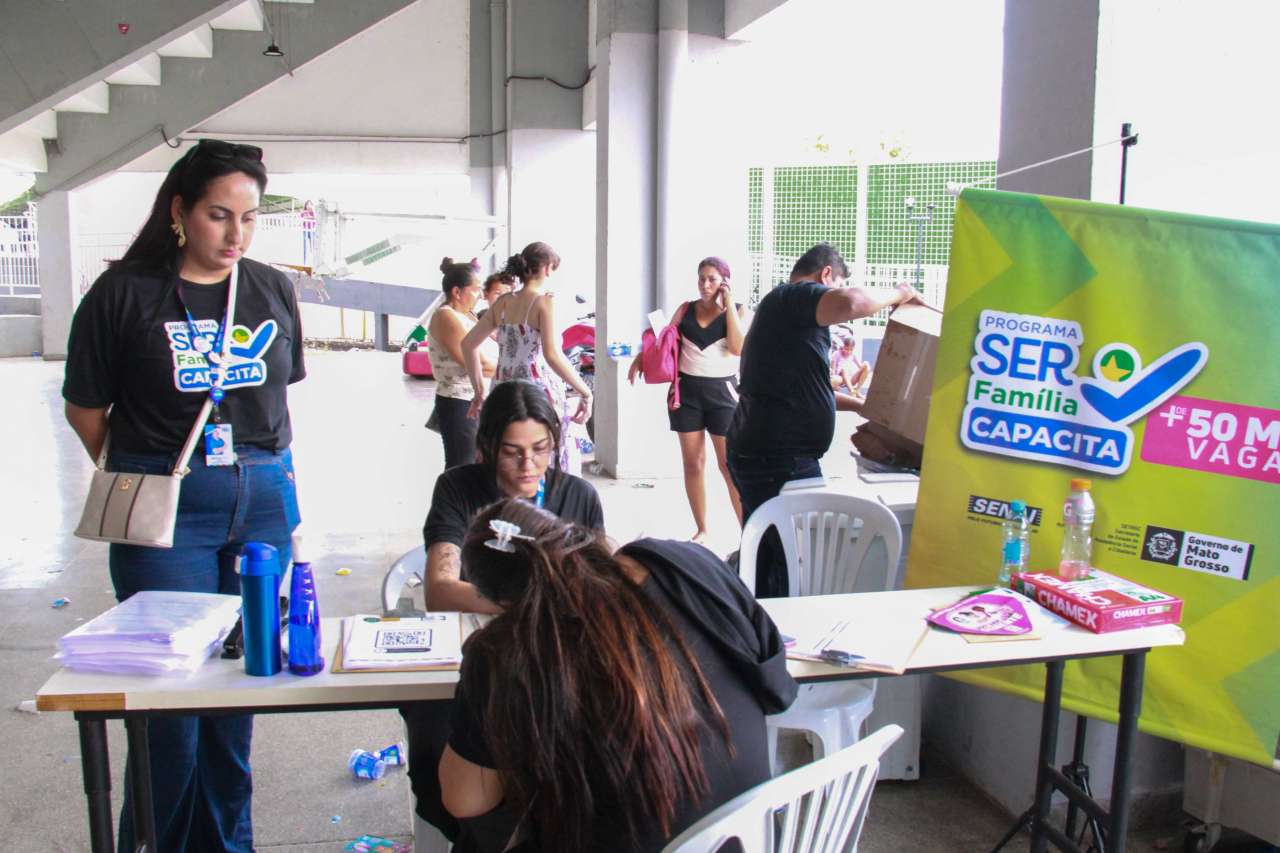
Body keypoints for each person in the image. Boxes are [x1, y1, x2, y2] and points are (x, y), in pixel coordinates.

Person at [62, 139, 305, 853]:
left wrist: (276, 482)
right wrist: (142, 472)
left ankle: (228, 845)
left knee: (237, 695)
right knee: (170, 706)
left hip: (262, 497)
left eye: (249, 218)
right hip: (168, 510)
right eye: (218, 215)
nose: (236, 235)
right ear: (179, 212)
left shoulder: (269, 288)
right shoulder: (123, 293)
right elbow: (85, 408)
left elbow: (275, 399)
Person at [434, 498, 799, 852]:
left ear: (501, 603)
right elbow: (777, 685)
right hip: (757, 836)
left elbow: (464, 800)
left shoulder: (506, 650)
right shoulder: (689, 562)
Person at [404, 380, 605, 842]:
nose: (528, 466)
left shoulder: (578, 496)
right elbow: (440, 590)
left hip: (551, 663)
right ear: (489, 446)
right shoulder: (458, 488)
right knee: (438, 742)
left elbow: (597, 590)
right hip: (474, 658)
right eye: (513, 452)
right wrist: (527, 603)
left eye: (541, 450)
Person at [727, 242, 925, 597]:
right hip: (778, 456)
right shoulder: (795, 296)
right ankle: (774, 618)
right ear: (826, 275)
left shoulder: (788, 319)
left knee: (770, 555)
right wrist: (900, 293)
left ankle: (757, 611)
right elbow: (851, 302)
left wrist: (862, 406)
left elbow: (803, 392)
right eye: (837, 285)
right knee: (788, 559)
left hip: (769, 451)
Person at [628, 256, 747, 543]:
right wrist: (641, 357)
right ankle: (702, 529)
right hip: (687, 393)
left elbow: (737, 347)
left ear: (725, 282)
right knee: (693, 463)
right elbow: (664, 340)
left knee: (728, 466)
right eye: (701, 278)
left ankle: (748, 531)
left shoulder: (740, 310)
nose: (705, 285)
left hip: (723, 395)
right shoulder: (685, 309)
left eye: (712, 279)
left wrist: (728, 302)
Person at [459, 242, 593, 475]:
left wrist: (480, 393)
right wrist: (585, 392)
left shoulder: (502, 303)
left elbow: (468, 344)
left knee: (508, 456)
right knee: (542, 459)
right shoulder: (544, 303)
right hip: (537, 394)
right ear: (548, 268)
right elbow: (552, 355)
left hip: (502, 392)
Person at [427, 258, 497, 468]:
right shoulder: (446, 317)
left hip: (474, 399)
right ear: (457, 292)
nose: (480, 295)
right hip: (461, 401)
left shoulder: (465, 315)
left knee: (476, 467)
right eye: (475, 290)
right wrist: (512, 368)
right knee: (462, 468)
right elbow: (478, 364)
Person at [830, 328, 871, 396]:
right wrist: (835, 383)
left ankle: (857, 391)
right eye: (846, 349)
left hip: (850, 379)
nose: (848, 352)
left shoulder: (853, 355)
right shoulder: (837, 354)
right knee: (843, 370)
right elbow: (833, 371)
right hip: (840, 379)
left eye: (851, 350)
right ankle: (852, 391)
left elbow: (861, 367)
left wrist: (866, 370)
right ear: (843, 346)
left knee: (866, 364)